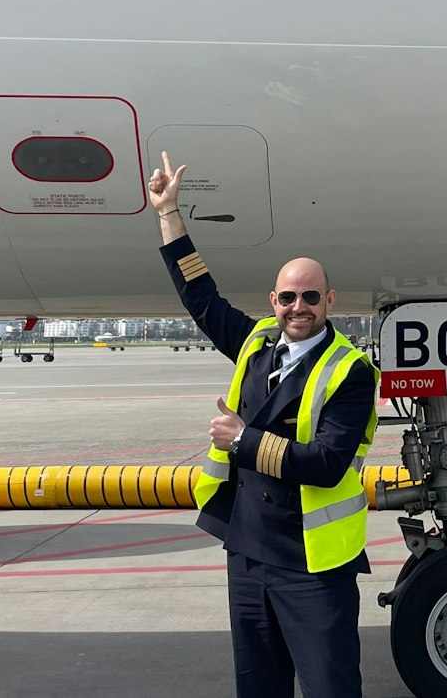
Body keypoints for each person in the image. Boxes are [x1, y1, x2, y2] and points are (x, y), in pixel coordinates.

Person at [149, 151, 378, 698]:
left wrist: (243, 440)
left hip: (312, 564)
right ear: (273, 301)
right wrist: (169, 216)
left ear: (329, 301)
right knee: (258, 687)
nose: (299, 307)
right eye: (288, 297)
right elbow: (201, 297)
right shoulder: (255, 345)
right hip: (248, 552)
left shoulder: (350, 371)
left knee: (331, 687)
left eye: (310, 297)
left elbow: (326, 465)